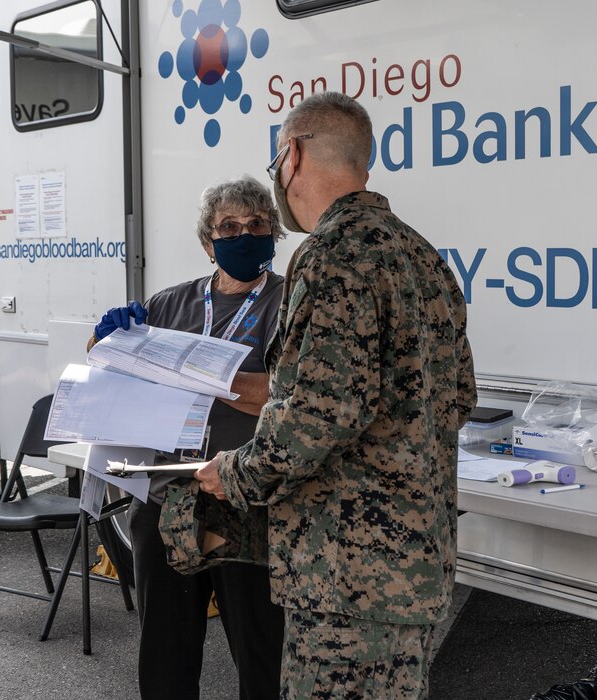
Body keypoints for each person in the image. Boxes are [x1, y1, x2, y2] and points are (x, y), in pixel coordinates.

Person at [193, 92, 477, 699]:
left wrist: (236, 473)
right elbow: (459, 397)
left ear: (291, 155)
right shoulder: (423, 256)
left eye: (278, 158)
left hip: (347, 574)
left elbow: (317, 417)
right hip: (417, 562)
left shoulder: (330, 256)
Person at [91, 176, 287, 700]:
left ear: (274, 234)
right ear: (208, 242)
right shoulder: (169, 303)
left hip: (245, 498)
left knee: (261, 653)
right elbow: (104, 361)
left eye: (257, 225)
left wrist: (200, 373)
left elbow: (291, 395)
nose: (243, 235)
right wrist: (106, 332)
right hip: (167, 498)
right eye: (229, 227)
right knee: (165, 656)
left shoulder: (290, 303)